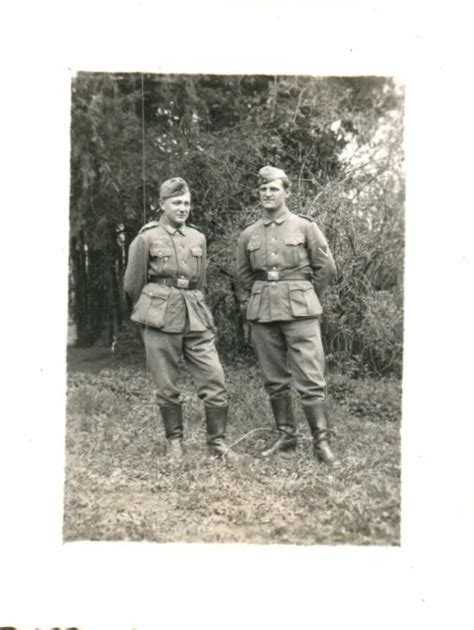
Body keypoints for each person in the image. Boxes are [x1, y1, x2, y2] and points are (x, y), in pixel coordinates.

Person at [124, 177, 235, 461]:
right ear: (162, 205)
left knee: (214, 376)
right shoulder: (146, 237)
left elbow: (201, 280)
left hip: (194, 314)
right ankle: (175, 442)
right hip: (159, 315)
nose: (183, 208)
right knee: (166, 383)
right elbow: (132, 284)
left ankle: (217, 443)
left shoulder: (197, 238)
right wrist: (149, 310)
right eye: (176, 203)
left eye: (186, 203)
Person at [236, 166, 339, 465]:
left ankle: (321, 444)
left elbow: (326, 269)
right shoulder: (248, 234)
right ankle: (287, 436)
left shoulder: (305, 227)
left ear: (287, 192)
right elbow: (243, 276)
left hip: (301, 309)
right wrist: (254, 300)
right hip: (263, 311)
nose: (268, 194)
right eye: (263, 190)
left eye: (274, 189)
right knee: (274, 378)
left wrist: (308, 297)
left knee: (310, 376)